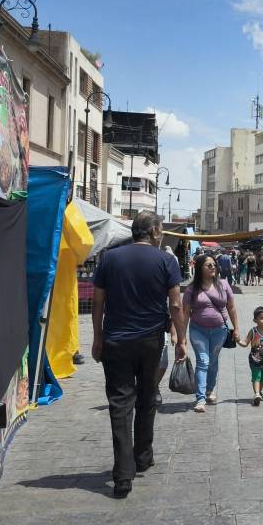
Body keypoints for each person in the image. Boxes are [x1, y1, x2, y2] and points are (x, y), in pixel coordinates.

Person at [91, 212, 187, 498]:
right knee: (147, 396)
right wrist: (181, 338)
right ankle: (142, 455)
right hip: (150, 340)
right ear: (156, 232)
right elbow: (176, 304)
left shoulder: (110, 258)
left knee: (120, 404)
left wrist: (97, 338)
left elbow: (98, 303)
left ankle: (123, 474)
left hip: (116, 340)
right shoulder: (166, 261)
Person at [184, 252, 239, 413]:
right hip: (197, 330)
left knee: (213, 361)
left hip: (219, 330)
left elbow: (232, 307)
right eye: (209, 265)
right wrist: (181, 336)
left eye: (214, 265)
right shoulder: (191, 289)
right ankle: (200, 398)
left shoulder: (223, 284)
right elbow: (185, 312)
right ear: (200, 268)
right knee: (203, 361)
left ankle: (209, 389)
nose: (213, 267)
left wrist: (236, 328)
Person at [238, 305, 263, 405]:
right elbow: (245, 343)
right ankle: (256, 394)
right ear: (255, 320)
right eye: (262, 318)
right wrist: (238, 340)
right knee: (256, 376)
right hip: (254, 359)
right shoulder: (253, 331)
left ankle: (259, 392)